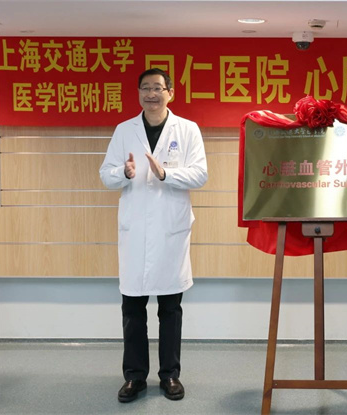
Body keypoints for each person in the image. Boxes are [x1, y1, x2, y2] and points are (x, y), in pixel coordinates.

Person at [99, 68, 208, 403]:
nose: (151, 94)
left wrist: (166, 174)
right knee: (132, 308)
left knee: (170, 308)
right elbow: (106, 175)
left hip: (170, 230)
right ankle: (134, 377)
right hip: (135, 232)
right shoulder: (124, 130)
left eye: (158, 88)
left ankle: (170, 375)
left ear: (170, 93)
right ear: (139, 94)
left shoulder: (187, 129)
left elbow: (200, 174)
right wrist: (123, 172)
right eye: (145, 88)